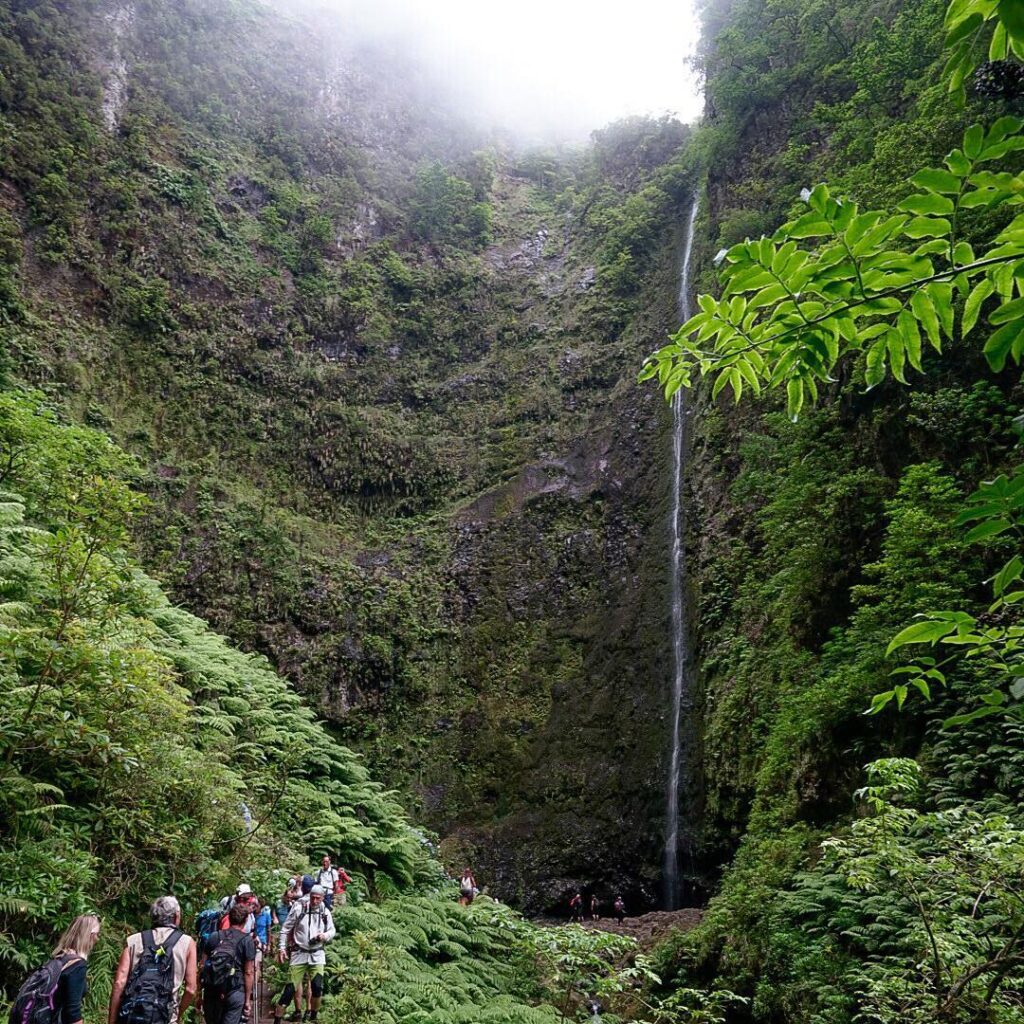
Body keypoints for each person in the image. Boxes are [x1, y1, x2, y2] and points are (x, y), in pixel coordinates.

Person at [109, 896, 197, 1024]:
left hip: (131, 1016)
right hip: (165, 1017)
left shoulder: (133, 940)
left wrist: (112, 1020)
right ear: (176, 916)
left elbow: (119, 983)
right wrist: (177, 1015)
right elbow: (190, 989)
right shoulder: (187, 943)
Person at [9, 915, 101, 1024]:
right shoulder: (77, 966)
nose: (97, 939)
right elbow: (72, 1012)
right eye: (97, 935)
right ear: (90, 936)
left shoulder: (60, 957)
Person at [277, 885, 335, 1023]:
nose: (315, 901)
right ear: (310, 896)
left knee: (317, 987)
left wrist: (324, 936)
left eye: (318, 898)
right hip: (299, 953)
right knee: (289, 990)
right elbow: (285, 929)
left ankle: (313, 1016)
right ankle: (277, 1020)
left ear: (322, 898)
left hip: (317, 954)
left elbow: (332, 930)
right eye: (313, 898)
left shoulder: (325, 912)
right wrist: (282, 948)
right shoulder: (299, 909)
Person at [198, 902, 256, 1024]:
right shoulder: (247, 941)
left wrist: (199, 994)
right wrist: (247, 1000)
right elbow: (249, 972)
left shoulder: (214, 937)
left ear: (229, 918)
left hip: (212, 989)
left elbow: (202, 966)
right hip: (235, 990)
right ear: (246, 920)